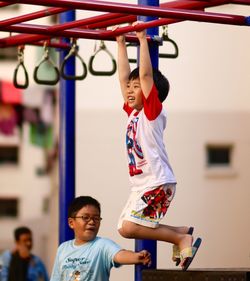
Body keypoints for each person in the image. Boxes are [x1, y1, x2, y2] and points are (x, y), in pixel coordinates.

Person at [115, 22, 202, 271]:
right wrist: (120, 43)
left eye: (136, 88)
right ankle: (181, 232)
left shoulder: (152, 114)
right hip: (142, 185)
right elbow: (124, 78)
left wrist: (142, 39)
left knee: (129, 228)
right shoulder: (133, 113)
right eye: (129, 89)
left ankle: (179, 238)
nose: (130, 91)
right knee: (123, 226)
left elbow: (144, 76)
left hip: (157, 182)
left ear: (150, 92)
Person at [50, 196, 151, 281]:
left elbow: (119, 255)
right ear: (71, 223)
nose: (91, 222)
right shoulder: (63, 248)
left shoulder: (102, 245)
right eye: (85, 217)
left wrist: (137, 257)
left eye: (96, 218)